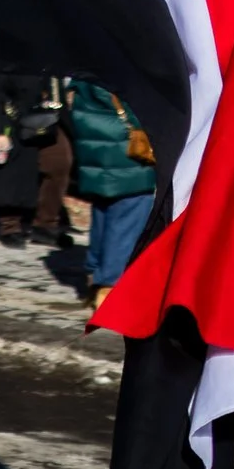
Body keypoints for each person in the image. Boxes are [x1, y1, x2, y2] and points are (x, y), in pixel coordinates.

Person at [65, 77, 157, 309]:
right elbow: (140, 109)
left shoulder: (86, 70)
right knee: (130, 213)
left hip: (98, 154)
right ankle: (109, 288)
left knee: (104, 213)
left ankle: (94, 275)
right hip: (125, 154)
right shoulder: (124, 65)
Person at [0, 73, 64, 246]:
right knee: (12, 172)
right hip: (15, 119)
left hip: (48, 119)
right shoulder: (5, 58)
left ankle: (45, 224)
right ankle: (10, 226)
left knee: (60, 162)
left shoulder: (52, 56)